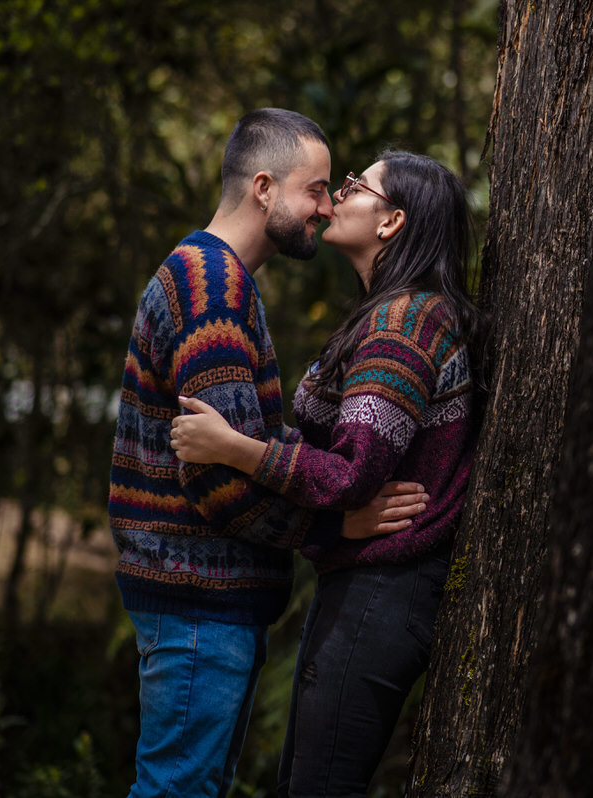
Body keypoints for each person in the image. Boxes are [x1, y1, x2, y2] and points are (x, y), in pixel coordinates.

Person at [109, 109, 426, 798]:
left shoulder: (217, 279)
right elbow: (219, 480)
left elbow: (240, 445)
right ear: (263, 188)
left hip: (204, 599)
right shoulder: (211, 288)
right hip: (198, 599)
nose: (326, 206)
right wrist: (334, 525)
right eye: (315, 189)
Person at [169, 150, 485, 797]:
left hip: (386, 589)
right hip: (365, 582)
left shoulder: (405, 323)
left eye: (356, 186)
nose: (337, 196)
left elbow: (351, 474)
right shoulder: (386, 314)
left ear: (391, 221)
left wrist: (235, 449)